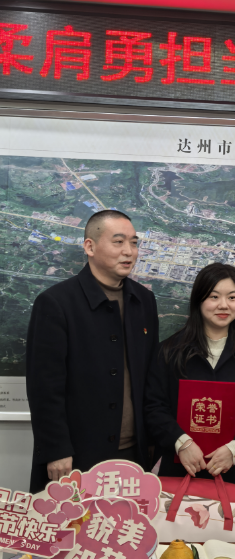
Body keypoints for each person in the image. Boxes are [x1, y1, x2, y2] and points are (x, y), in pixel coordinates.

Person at [26, 210, 159, 493]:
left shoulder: (144, 300)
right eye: (118, 242)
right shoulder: (56, 303)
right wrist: (56, 449)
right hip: (76, 453)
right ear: (90, 246)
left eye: (134, 243)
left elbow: (150, 376)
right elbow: (44, 387)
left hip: (133, 451)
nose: (129, 251)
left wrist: (152, 439)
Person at [145, 262, 235, 486]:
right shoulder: (170, 351)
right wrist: (182, 443)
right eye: (214, 296)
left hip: (232, 471)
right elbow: (153, 406)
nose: (224, 305)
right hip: (176, 467)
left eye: (232, 297)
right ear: (199, 300)